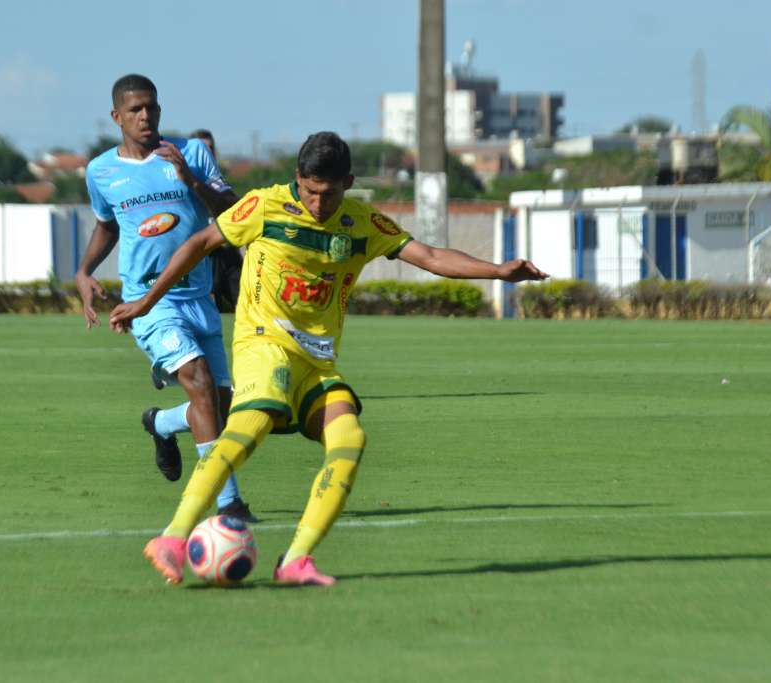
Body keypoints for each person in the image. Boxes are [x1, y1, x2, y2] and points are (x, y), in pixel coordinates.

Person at [109, 131, 548, 586]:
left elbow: (431, 256)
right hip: (264, 345)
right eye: (309, 190)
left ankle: (295, 560)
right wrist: (145, 302)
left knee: (350, 441)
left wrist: (498, 271)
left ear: (349, 184)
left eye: (330, 193)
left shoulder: (362, 224)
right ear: (297, 179)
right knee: (249, 427)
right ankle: (173, 538)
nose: (318, 203)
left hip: (317, 363)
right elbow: (199, 243)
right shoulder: (264, 206)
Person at [76, 73, 256, 522]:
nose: (145, 116)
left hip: (201, 296)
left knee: (220, 404)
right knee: (196, 380)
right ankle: (228, 501)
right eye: (135, 109)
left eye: (152, 107)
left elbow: (234, 214)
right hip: (149, 302)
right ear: (117, 116)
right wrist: (83, 272)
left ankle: (159, 424)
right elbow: (107, 225)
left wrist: (191, 179)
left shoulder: (191, 153)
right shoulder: (101, 171)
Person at [189, 128, 243, 314]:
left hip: (228, 252)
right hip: (205, 255)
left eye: (210, 148)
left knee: (246, 303)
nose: (207, 153)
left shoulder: (218, 181)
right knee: (208, 308)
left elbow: (236, 208)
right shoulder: (183, 182)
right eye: (202, 149)